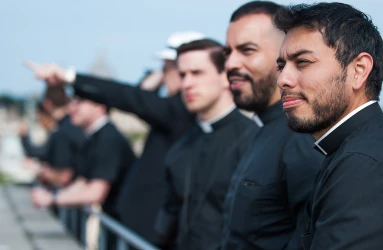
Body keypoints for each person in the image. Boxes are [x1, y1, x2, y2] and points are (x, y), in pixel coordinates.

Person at [274, 3, 383, 249]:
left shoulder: (365, 165)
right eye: (281, 66)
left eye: (302, 62)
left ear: (358, 70)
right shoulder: (361, 148)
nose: (283, 79)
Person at [23, 31, 205, 244]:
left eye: (168, 68)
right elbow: (137, 98)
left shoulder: (177, 111)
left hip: (148, 232)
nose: (165, 74)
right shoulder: (170, 112)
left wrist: (71, 77)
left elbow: (132, 98)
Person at [221, 2, 323, 249]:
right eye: (227, 52)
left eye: (247, 50)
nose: (231, 64)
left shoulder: (301, 138)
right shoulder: (265, 130)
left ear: (284, 54)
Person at [155, 39, 258, 250]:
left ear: (225, 77)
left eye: (197, 73)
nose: (186, 84)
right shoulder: (180, 147)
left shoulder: (255, 140)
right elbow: (169, 218)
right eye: (182, 75)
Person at [31, 96, 136, 249]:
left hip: (126, 228)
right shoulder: (95, 137)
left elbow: (95, 192)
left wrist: (51, 198)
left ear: (99, 106)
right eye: (72, 102)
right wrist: (52, 197)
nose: (71, 108)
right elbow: (82, 182)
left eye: (79, 103)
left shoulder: (108, 139)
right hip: (117, 226)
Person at [37, 86, 86, 187]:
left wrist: (39, 170)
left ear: (47, 104)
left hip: (70, 197)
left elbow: (63, 178)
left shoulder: (62, 133)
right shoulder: (77, 127)